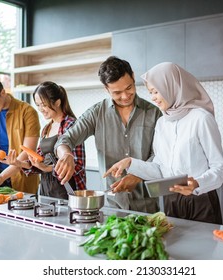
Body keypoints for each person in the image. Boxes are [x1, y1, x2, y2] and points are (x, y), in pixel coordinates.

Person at [104, 62, 223, 224]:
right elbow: (160, 170)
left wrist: (197, 183)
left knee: (204, 249)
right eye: (150, 93)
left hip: (200, 200)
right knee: (174, 249)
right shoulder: (162, 123)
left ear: (172, 87)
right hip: (171, 201)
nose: (153, 98)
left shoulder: (201, 118)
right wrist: (130, 163)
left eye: (156, 92)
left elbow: (220, 168)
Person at [54, 56, 162, 213]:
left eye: (129, 88)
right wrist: (66, 154)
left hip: (147, 206)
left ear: (132, 76)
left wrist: (139, 175)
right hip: (112, 205)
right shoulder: (97, 113)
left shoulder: (154, 113)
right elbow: (65, 139)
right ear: (106, 89)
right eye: (117, 92)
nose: (125, 96)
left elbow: (161, 155)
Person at [4, 81, 86, 199]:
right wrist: (18, 163)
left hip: (68, 191)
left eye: (43, 104)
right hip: (45, 191)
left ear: (57, 102)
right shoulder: (46, 128)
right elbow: (39, 162)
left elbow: (77, 166)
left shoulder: (71, 125)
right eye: (38, 105)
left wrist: (46, 168)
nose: (40, 109)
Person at [0, 78, 41, 194]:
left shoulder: (28, 112)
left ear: (3, 93)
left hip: (21, 179)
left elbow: (28, 151)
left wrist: (1, 177)